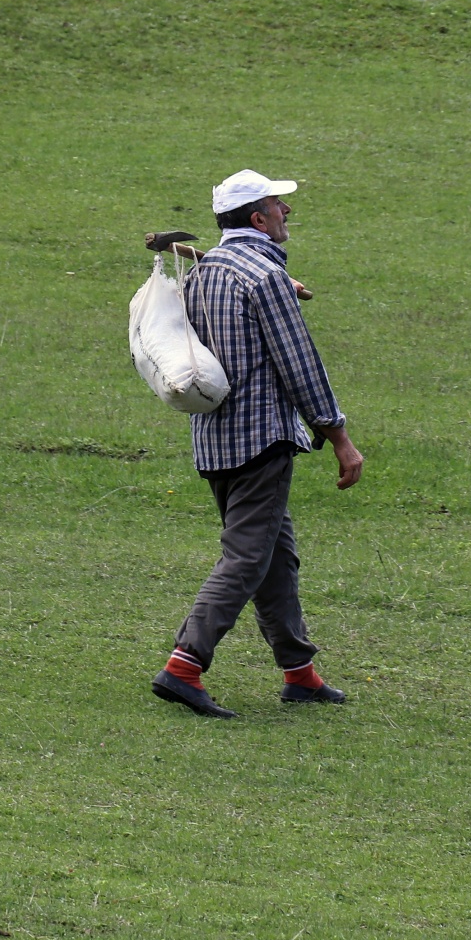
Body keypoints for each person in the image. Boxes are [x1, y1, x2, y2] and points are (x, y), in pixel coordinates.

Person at [152, 169, 364, 718]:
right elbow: (301, 366)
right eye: (278, 205)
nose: (286, 212)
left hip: (215, 442)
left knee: (275, 557)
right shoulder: (263, 277)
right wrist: (340, 438)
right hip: (261, 439)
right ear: (257, 219)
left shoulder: (206, 272)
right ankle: (183, 665)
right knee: (247, 558)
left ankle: (301, 674)